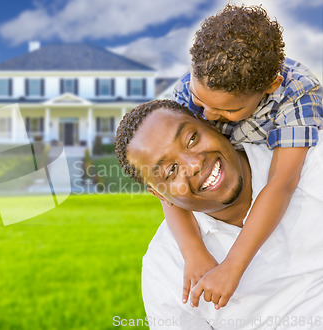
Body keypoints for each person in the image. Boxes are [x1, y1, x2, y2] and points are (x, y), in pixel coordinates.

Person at [114, 99, 323, 329]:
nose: (193, 164)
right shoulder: (165, 268)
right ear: (160, 195)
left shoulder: (310, 160)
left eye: (191, 139)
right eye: (171, 171)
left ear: (211, 124)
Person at [167, 4, 323, 309]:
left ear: (270, 86)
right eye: (201, 101)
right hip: (227, 178)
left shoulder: (298, 93)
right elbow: (163, 176)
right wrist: (193, 250)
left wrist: (232, 267)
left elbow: (282, 182)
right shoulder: (189, 89)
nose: (207, 115)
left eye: (228, 110)